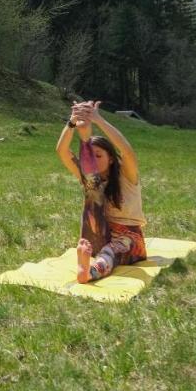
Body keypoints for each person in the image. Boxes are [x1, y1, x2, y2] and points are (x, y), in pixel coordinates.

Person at [55, 99, 147, 283]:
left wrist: (99, 120)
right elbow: (62, 151)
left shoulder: (126, 175)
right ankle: (84, 138)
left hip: (129, 237)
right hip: (98, 232)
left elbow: (126, 150)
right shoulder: (90, 179)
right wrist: (72, 122)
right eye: (91, 156)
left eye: (99, 155)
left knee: (110, 251)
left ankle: (90, 272)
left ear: (111, 159)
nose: (94, 160)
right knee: (92, 187)